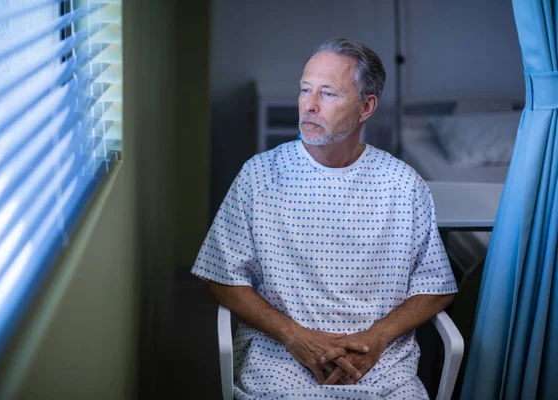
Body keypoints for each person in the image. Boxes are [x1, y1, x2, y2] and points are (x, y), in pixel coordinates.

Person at [191, 37, 457, 399]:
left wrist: (375, 339)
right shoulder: (259, 176)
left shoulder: (403, 186)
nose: (309, 106)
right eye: (305, 90)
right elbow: (222, 277)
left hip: (379, 365)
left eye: (328, 94)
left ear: (366, 107)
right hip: (280, 360)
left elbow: (435, 286)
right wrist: (294, 336)